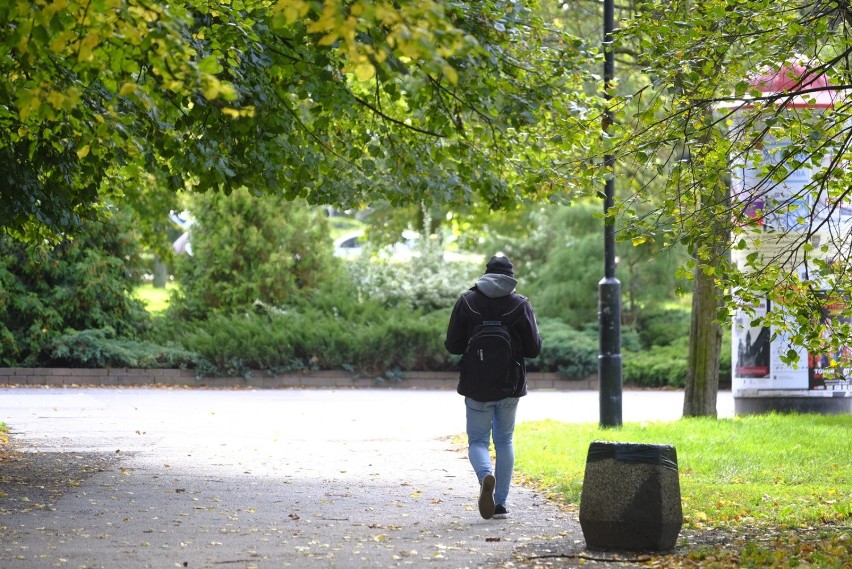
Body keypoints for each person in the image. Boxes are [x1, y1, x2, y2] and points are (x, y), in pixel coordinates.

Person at [444, 254, 542, 520]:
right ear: (511, 277)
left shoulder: (467, 301)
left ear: (485, 274)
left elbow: (452, 346)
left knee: (477, 441)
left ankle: (485, 475)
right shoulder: (520, 304)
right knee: (504, 440)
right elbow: (534, 349)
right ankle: (500, 504)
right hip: (509, 385)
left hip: (476, 385)